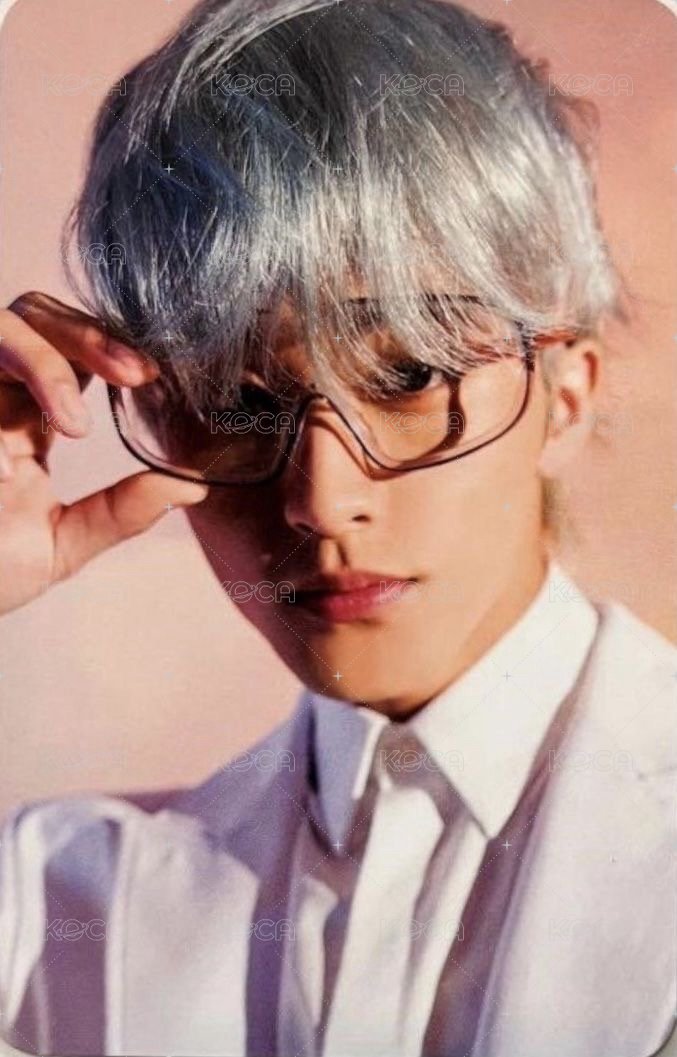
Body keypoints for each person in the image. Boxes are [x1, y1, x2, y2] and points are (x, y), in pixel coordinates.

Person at [0, 0, 674, 1054]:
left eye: (405, 376)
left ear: (567, 393)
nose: (319, 499)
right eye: (234, 402)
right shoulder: (54, 907)